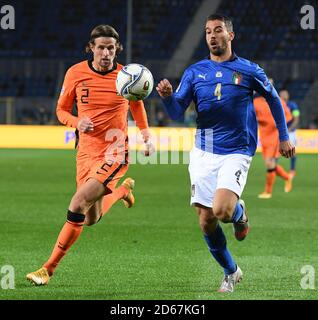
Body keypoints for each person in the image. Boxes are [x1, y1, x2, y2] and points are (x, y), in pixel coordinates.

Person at [156, 14, 295, 293]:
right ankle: (231, 271)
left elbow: (273, 100)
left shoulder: (249, 70)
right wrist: (168, 97)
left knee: (222, 210)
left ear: (230, 35)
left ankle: (239, 213)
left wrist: (283, 136)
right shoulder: (195, 72)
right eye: (208, 31)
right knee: (206, 221)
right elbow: (175, 112)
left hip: (237, 150)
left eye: (218, 30)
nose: (212, 35)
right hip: (203, 151)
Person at [26, 25, 154, 285]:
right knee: (91, 218)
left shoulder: (126, 76)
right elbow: (61, 111)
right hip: (85, 152)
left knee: (77, 204)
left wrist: (146, 136)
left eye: (111, 48)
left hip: (115, 151)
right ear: (91, 48)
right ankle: (122, 192)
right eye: (101, 47)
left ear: (117, 49)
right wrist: (76, 122)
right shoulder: (75, 73)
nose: (106, 53)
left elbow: (137, 106)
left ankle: (47, 270)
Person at [254, 82, 293, 199]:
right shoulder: (256, 102)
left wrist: (280, 125)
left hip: (274, 136)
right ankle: (287, 177)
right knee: (271, 164)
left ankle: (268, 192)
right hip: (264, 136)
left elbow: (288, 116)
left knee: (270, 163)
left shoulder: (278, 100)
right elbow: (251, 115)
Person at [280, 90, 300, 178]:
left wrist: (289, 129)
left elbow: (296, 118)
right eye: (282, 94)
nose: (284, 95)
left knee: (292, 151)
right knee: (276, 151)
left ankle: (292, 170)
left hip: (290, 132)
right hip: (279, 132)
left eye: (285, 94)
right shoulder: (278, 104)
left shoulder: (293, 106)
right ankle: (274, 169)